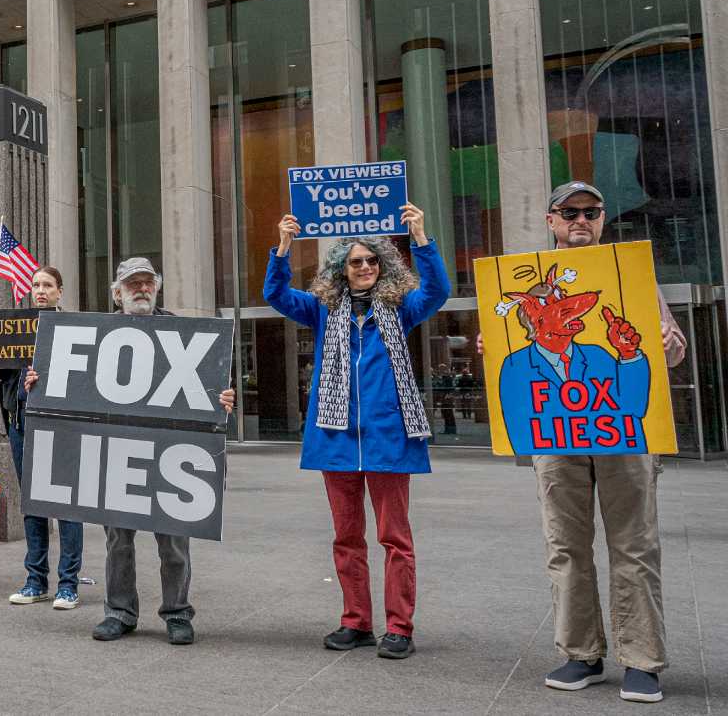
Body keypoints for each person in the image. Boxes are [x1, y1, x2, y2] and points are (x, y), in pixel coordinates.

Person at [499, 181, 686, 704]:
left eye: (591, 211)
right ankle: (580, 653)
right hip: (556, 442)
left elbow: (669, 356)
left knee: (635, 543)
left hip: (623, 437)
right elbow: (508, 371)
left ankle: (642, 659)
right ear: (552, 220)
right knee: (565, 546)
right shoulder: (524, 284)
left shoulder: (633, 278)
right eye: (570, 211)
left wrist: (659, 347)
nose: (581, 219)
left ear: (602, 219)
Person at [265, 204, 449, 660]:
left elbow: (439, 290)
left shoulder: (401, 309)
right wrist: (284, 248)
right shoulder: (323, 311)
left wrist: (421, 238)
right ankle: (356, 622)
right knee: (347, 539)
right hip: (337, 439)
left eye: (371, 261)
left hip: (390, 438)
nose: (364, 267)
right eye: (355, 262)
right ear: (341, 270)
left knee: (395, 540)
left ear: (382, 267)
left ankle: (400, 627)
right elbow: (276, 295)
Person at [26, 258, 235, 646]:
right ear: (116, 292)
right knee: (117, 540)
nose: (141, 288)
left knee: (173, 541)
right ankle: (119, 612)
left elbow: (208, 393)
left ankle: (177, 613)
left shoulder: (185, 332)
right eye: (132, 283)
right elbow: (69, 390)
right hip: (115, 453)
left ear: (157, 287)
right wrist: (39, 382)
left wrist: (222, 399)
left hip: (170, 451)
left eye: (147, 282)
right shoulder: (94, 334)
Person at [0, 266, 85, 610]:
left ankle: (68, 584)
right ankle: (36, 580)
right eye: (35, 285)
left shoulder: (73, 328)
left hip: (61, 427)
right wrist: (13, 377)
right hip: (22, 422)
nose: (40, 290)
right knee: (32, 503)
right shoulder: (16, 329)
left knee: (66, 504)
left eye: (48, 285)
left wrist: (45, 378)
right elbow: (2, 378)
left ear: (60, 292)